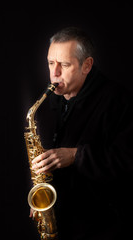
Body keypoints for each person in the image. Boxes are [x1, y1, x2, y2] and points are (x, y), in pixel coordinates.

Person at [30, 27, 133, 239]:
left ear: (87, 65)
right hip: (63, 222)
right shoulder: (50, 101)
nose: (54, 73)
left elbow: (127, 162)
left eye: (64, 65)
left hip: (104, 227)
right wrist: (42, 195)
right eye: (51, 63)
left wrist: (76, 156)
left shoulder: (118, 101)